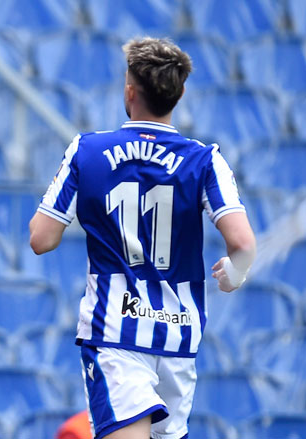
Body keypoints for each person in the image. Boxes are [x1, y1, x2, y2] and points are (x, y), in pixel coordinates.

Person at [29, 37, 256, 439]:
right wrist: (234, 274)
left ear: (129, 91)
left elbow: (41, 239)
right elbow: (243, 244)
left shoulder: (87, 150)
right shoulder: (205, 160)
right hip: (178, 336)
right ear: (179, 94)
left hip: (116, 332)